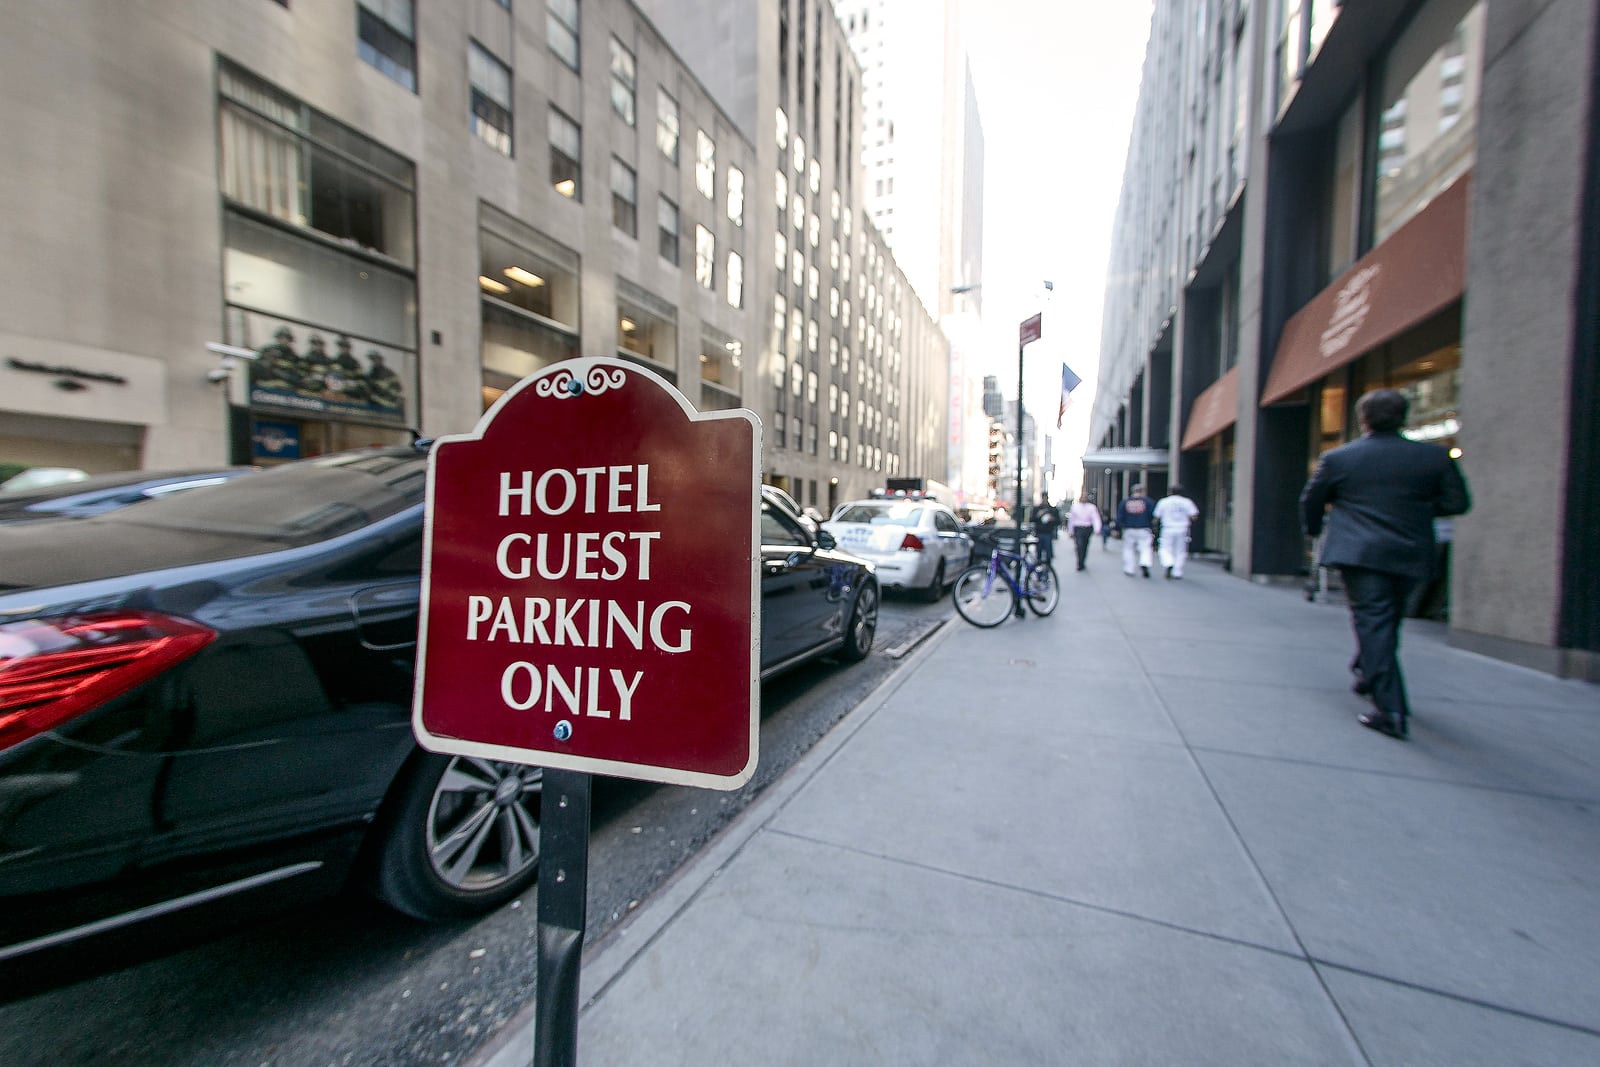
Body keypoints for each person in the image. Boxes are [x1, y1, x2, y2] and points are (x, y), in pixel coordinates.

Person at [1300, 388, 1471, 740]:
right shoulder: (1433, 458)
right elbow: (1457, 502)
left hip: (1358, 551)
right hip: (1408, 550)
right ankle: (1368, 669)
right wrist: (1414, 512)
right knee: (1385, 619)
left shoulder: (1341, 459)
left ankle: (1389, 707)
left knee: (1375, 619)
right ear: (1404, 417)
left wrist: (1316, 531)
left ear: (1364, 419)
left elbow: (1311, 500)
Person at [1152, 484, 1200, 579]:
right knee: (1180, 550)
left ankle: (1168, 562)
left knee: (1165, 548)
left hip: (1168, 527)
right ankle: (1177, 571)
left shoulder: (1164, 502)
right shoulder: (1187, 502)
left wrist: (1154, 526)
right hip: (1182, 528)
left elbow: (1156, 516)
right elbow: (1194, 516)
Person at [1117, 484, 1157, 577]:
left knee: (1128, 549)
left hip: (1129, 529)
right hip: (1144, 528)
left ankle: (1129, 568)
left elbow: (1120, 516)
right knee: (1145, 547)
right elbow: (1153, 515)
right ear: (1143, 491)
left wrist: (1118, 527)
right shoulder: (1148, 501)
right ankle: (1145, 562)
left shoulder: (1125, 502)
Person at [1065, 493, 1101, 571]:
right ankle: (1079, 562)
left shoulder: (1091, 507)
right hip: (1078, 528)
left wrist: (1097, 529)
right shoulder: (1075, 507)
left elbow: (1095, 518)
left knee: (1085, 545)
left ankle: (1082, 560)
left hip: (1087, 528)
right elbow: (1071, 520)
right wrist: (1070, 531)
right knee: (1079, 545)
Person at [1031, 494, 1062, 564]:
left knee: (1048, 553)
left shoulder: (1052, 510)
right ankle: (1038, 566)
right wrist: (1038, 515)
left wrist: (1052, 519)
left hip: (1048, 533)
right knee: (1038, 552)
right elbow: (1032, 519)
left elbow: (1058, 521)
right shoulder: (1037, 509)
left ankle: (1047, 567)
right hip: (1039, 533)